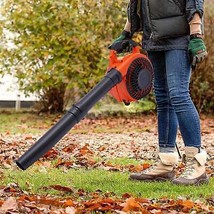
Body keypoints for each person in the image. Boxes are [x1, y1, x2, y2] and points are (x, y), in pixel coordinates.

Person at [110, 0, 208, 185]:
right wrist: (127, 32)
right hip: (154, 38)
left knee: (178, 94)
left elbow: (194, 2)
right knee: (163, 98)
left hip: (179, 37)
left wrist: (196, 34)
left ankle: (197, 164)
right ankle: (166, 161)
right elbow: (136, 4)